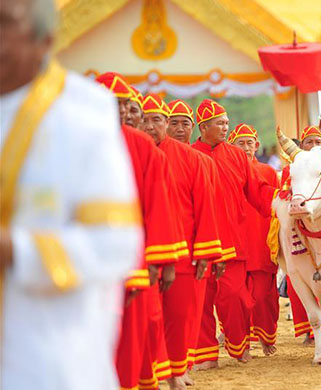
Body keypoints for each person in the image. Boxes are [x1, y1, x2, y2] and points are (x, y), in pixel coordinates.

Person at [0, 0, 142, 388]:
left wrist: (18, 250)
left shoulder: (82, 118)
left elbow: (116, 244)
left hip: (45, 356)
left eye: (5, 24)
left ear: (43, 39)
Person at [95, 72, 183, 390]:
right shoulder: (75, 142)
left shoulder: (144, 148)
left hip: (133, 259)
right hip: (85, 260)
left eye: (127, 106)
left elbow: (159, 205)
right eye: (115, 104)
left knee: (137, 333)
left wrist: (162, 261)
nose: (122, 113)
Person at [140, 93, 222, 390]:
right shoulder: (131, 153)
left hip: (184, 251)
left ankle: (176, 370)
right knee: (149, 316)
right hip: (142, 253)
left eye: (157, 120)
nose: (151, 127)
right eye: (144, 120)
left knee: (181, 315)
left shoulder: (194, 160)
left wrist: (206, 252)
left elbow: (205, 208)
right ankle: (152, 371)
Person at [192, 99, 275, 364]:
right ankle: (206, 354)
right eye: (220, 123)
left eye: (227, 123)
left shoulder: (237, 155)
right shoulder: (190, 154)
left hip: (232, 241)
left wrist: (283, 200)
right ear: (204, 127)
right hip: (198, 240)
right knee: (202, 299)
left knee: (236, 296)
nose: (226, 128)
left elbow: (258, 191)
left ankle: (239, 346)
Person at [279, 125, 321, 345]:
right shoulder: (293, 169)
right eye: (310, 143)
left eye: (319, 142)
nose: (315, 147)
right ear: (301, 146)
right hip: (299, 232)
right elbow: (284, 193)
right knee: (298, 276)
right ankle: (309, 329)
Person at [228, 123, 280, 356]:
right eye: (241, 143)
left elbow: (277, 208)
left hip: (261, 241)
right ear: (232, 146)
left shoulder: (268, 172)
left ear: (257, 146)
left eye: (250, 143)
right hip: (235, 240)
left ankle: (267, 337)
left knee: (263, 296)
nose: (246, 148)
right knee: (237, 296)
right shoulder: (226, 170)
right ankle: (241, 344)